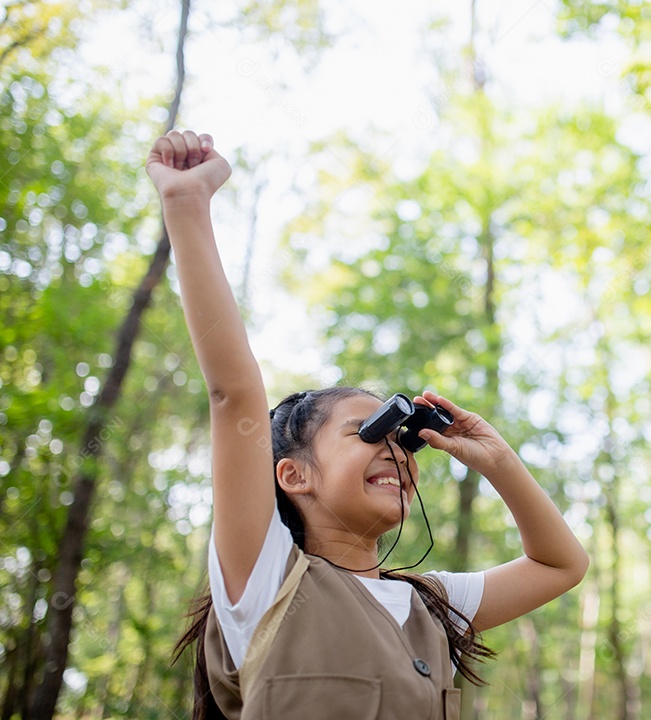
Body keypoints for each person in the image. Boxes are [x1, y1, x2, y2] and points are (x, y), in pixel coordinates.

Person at [148, 130, 590, 720]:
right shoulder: (266, 578)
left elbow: (562, 565)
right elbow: (234, 394)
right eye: (366, 431)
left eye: (402, 441)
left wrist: (497, 460)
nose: (399, 453)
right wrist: (185, 204)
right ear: (293, 475)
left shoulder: (429, 606)